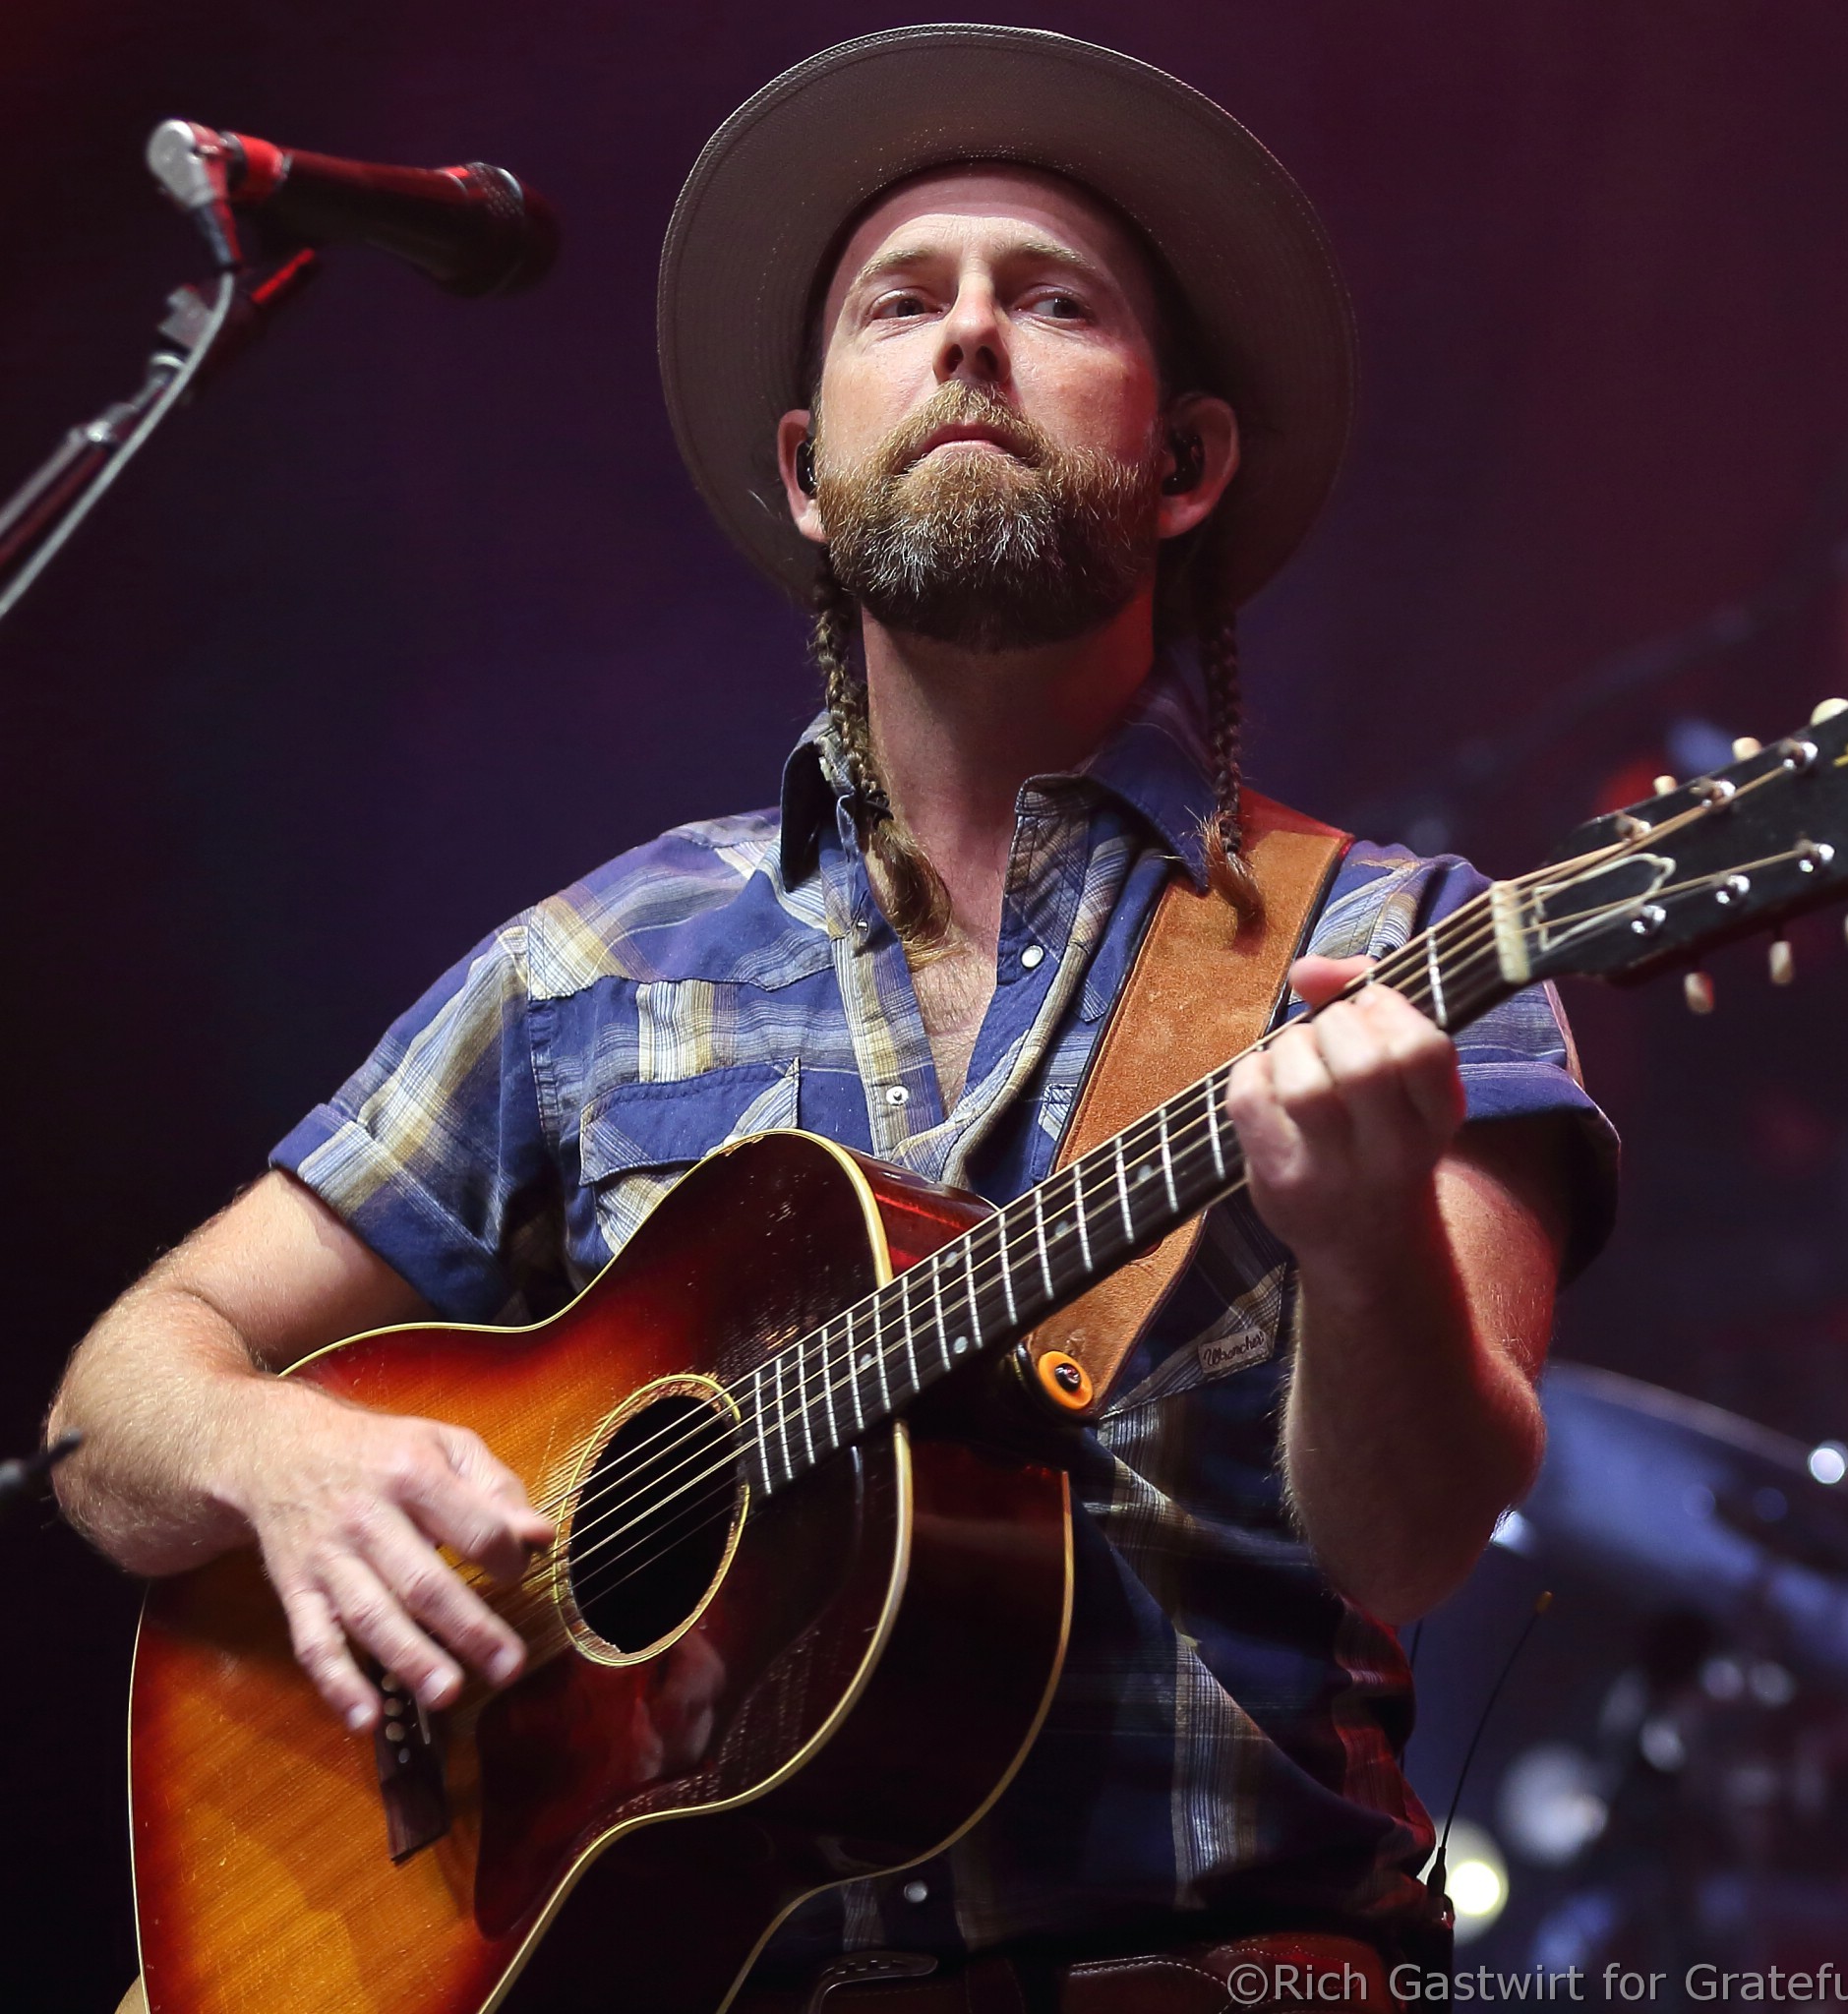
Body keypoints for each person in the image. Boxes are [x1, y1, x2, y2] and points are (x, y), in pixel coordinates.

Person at [51, 26, 1615, 2011]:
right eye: (901, 301)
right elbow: (112, 1407)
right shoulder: (594, 962)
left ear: (1184, 464)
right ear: (808, 473)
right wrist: (283, 1460)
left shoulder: (1389, 946)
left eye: (1054, 302)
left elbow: (1414, 1545)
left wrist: (1369, 1235)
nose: (969, 336)